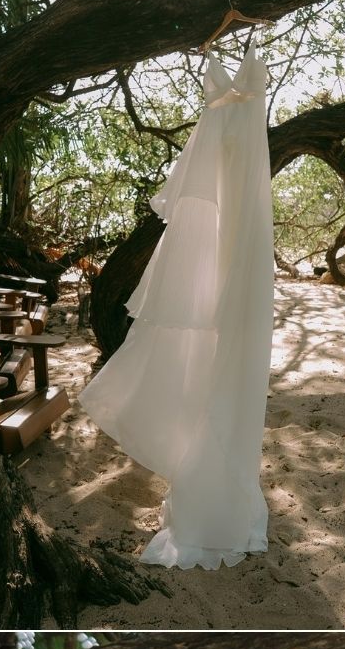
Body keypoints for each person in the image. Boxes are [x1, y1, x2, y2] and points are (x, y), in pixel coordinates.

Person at [80, 41, 274, 569]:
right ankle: (200, 482)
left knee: (232, 349)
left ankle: (219, 492)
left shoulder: (250, 76)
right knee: (194, 334)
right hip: (210, 212)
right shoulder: (230, 76)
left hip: (243, 208)